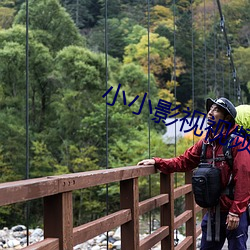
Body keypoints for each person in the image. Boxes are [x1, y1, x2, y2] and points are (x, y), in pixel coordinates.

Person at [138, 97, 250, 250]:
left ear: (228, 118)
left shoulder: (238, 144)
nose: (210, 113)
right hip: (213, 211)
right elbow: (184, 161)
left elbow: (244, 179)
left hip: (233, 211)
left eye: (216, 110)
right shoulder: (205, 143)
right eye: (210, 109)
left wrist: (236, 212)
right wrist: (157, 162)